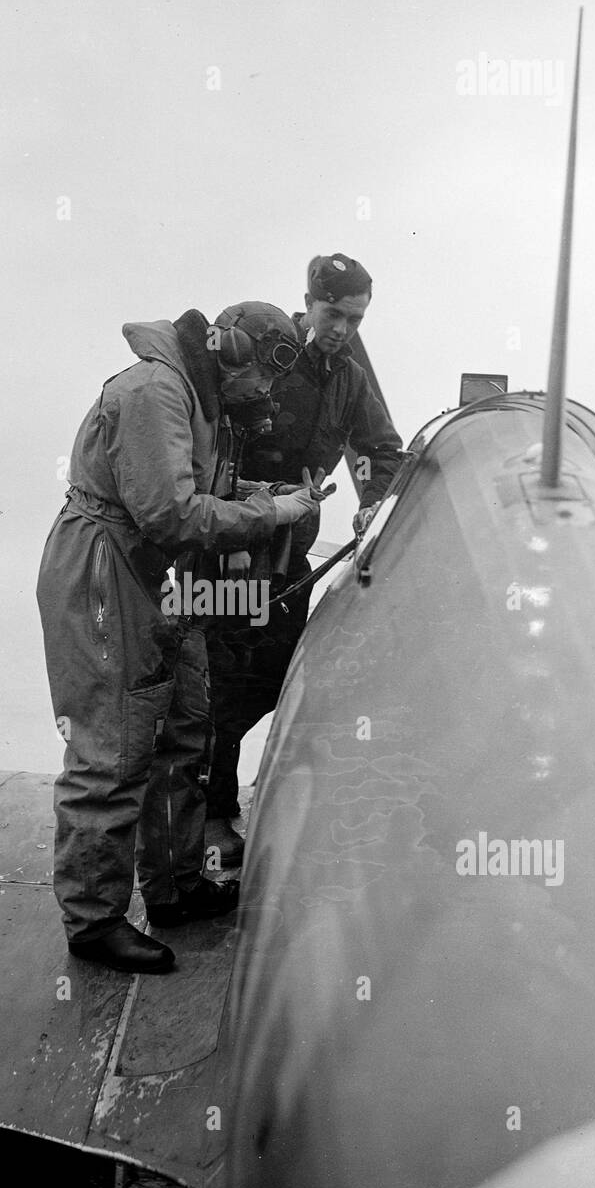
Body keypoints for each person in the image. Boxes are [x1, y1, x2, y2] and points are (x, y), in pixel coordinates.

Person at [36, 301, 321, 974]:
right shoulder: (154, 392)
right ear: (231, 352)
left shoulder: (204, 397)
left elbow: (201, 484)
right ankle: (93, 920)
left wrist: (270, 492)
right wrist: (270, 512)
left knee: (185, 728)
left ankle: (174, 885)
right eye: (264, 382)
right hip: (105, 568)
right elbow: (171, 512)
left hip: (154, 571)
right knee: (113, 743)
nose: (266, 398)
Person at [204, 254, 403, 864]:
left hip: (290, 555)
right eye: (333, 313)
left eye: (355, 319)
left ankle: (265, 807)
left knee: (276, 675)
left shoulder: (348, 378)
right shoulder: (274, 351)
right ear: (309, 301)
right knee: (219, 681)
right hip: (229, 547)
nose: (342, 328)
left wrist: (372, 503)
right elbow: (215, 431)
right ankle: (210, 817)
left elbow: (381, 449)